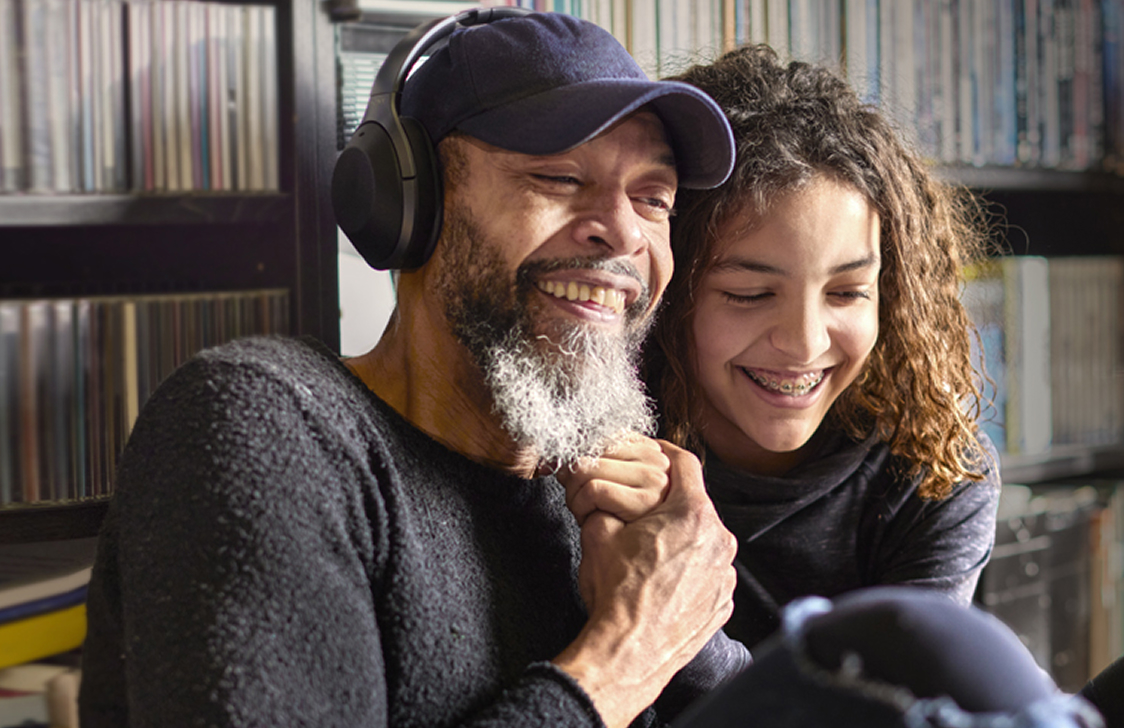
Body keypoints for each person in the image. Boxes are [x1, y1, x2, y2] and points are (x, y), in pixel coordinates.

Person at [77, 12, 750, 728]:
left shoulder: (592, 503)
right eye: (558, 177)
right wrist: (627, 656)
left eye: (653, 199)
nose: (622, 232)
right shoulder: (257, 429)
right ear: (410, 202)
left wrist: (690, 621)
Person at [641, 43, 1003, 651]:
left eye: (847, 293)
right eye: (751, 294)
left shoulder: (935, 471)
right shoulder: (602, 456)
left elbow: (892, 697)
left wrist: (672, 629)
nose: (805, 343)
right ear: (671, 290)